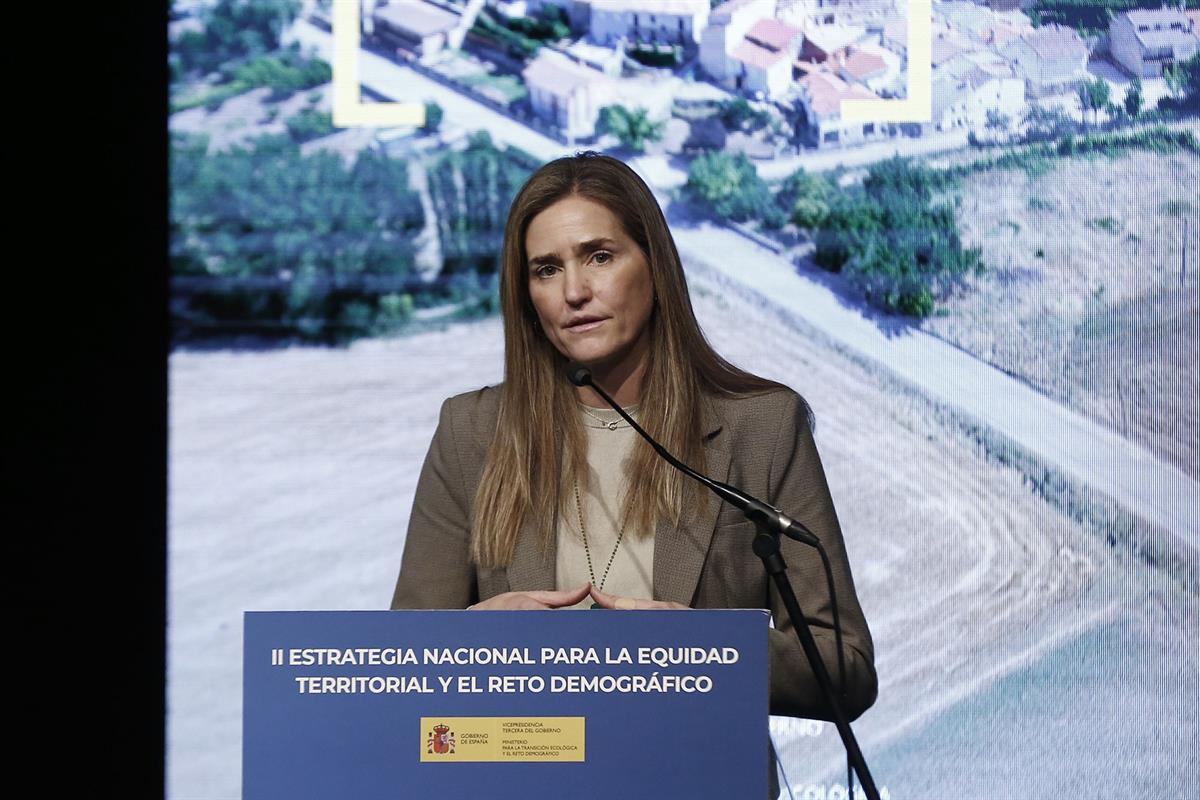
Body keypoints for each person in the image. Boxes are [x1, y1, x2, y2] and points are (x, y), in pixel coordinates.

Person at [391, 152, 876, 789]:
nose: (574, 292)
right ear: (527, 296)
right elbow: (398, 674)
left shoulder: (762, 426)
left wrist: (701, 653)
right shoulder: (471, 432)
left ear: (654, 266)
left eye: (599, 256)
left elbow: (845, 668)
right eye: (546, 269)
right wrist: (472, 645)